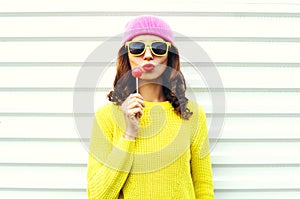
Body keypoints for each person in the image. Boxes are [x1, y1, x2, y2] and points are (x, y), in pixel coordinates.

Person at [87, 15, 214, 199]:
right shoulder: (106, 116)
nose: (148, 55)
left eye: (158, 48)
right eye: (137, 48)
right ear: (127, 57)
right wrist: (129, 133)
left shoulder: (192, 115)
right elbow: (98, 196)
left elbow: (203, 187)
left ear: (169, 57)